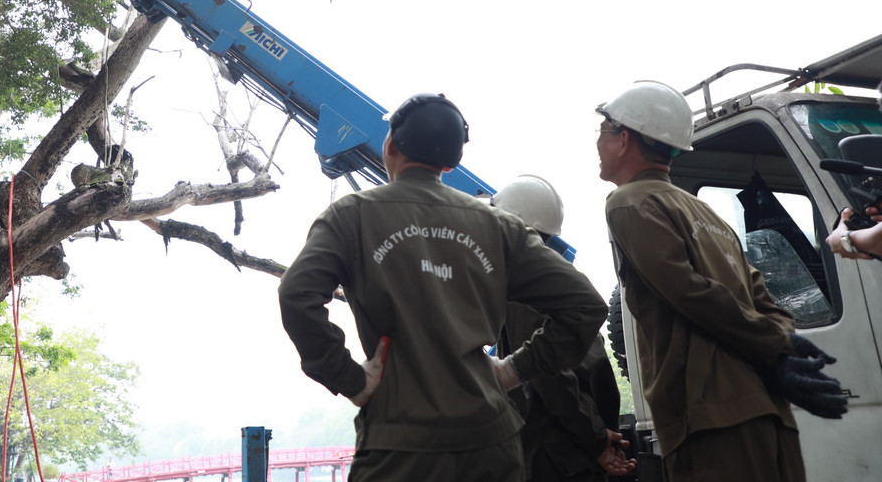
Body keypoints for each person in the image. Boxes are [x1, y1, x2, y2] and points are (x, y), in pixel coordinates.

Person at [278, 93, 608, 482]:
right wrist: (513, 370)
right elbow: (585, 305)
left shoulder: (352, 216)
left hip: (401, 446)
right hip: (493, 444)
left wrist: (349, 378)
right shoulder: (498, 226)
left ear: (391, 144)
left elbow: (296, 294)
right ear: (453, 162)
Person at [597, 80, 846, 482]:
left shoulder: (629, 202)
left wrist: (778, 345)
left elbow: (688, 293)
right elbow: (761, 296)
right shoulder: (705, 213)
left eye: (603, 133)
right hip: (764, 410)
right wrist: (779, 346)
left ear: (624, 139)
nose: (599, 144)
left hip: (708, 417)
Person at [491, 175, 634, 481]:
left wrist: (595, 440)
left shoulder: (524, 284)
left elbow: (549, 375)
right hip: (571, 448)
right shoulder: (552, 280)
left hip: (556, 454)